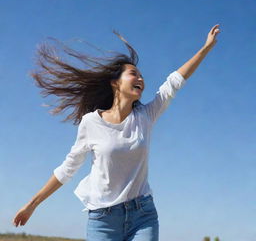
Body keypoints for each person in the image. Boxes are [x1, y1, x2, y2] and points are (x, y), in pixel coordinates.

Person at [12, 24, 220, 241]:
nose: (140, 79)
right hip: (103, 220)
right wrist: (32, 204)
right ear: (115, 83)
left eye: (141, 76)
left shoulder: (145, 116)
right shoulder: (91, 123)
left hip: (143, 215)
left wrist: (205, 48)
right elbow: (67, 169)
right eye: (133, 74)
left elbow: (173, 83)